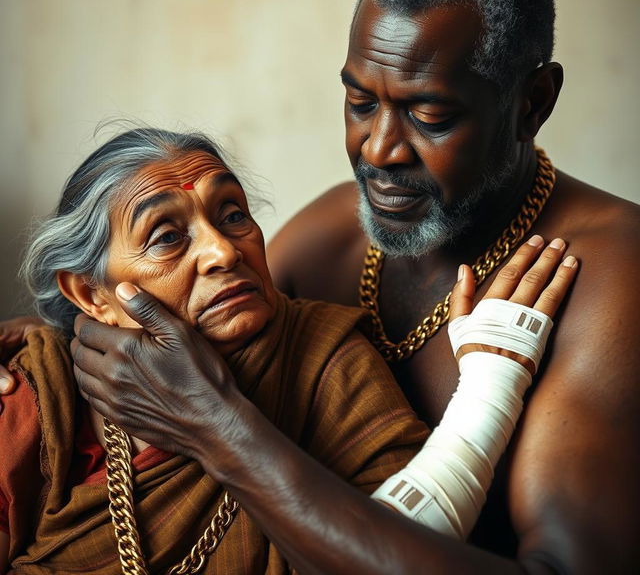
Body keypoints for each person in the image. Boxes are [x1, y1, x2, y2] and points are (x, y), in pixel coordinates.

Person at [1, 0, 638, 571]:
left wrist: (216, 429)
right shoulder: (336, 229)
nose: (379, 150)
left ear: (533, 103)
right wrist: (46, 341)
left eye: (431, 115)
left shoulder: (610, 274)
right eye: (361, 102)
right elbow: (189, 310)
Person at [0, 126, 573, 574]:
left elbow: (409, 546)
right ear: (88, 294)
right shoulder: (38, 388)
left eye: (233, 215)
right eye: (168, 237)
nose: (224, 251)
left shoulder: (325, 359)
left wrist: (212, 418)